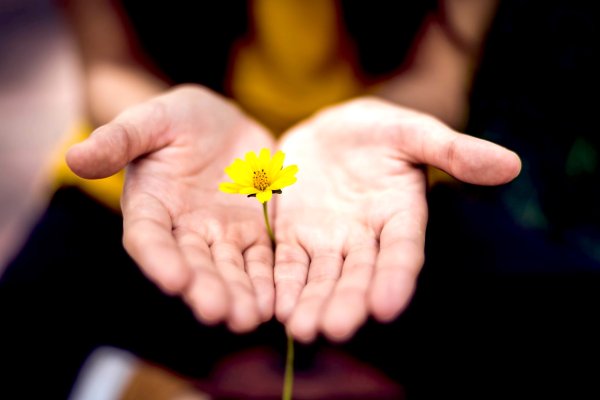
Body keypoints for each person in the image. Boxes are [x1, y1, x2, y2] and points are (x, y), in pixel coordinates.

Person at [1, 0, 597, 398]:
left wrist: (386, 121)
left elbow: (438, 74)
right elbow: (109, 64)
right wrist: (150, 124)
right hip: (164, 186)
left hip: (372, 188)